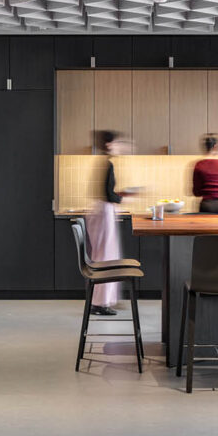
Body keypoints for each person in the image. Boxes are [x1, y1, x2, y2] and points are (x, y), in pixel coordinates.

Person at [85, 130, 133, 315]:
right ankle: (100, 303)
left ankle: (101, 301)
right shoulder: (108, 164)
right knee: (106, 258)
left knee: (103, 256)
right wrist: (124, 197)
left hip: (101, 212)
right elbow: (109, 193)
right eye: (118, 142)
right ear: (109, 144)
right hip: (104, 212)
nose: (121, 146)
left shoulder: (103, 163)